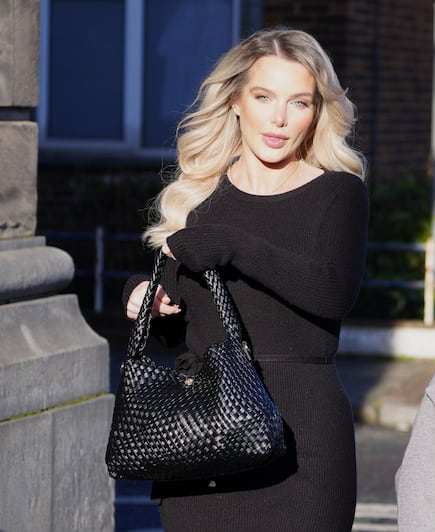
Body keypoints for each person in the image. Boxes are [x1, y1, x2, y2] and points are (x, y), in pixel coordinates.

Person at [122, 27, 369, 532]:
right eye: (264, 97)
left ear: (317, 111)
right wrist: (144, 296)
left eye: (299, 102)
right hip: (204, 442)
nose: (279, 119)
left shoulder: (339, 194)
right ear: (235, 99)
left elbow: (333, 293)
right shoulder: (200, 196)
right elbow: (179, 327)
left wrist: (232, 246)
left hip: (304, 447)